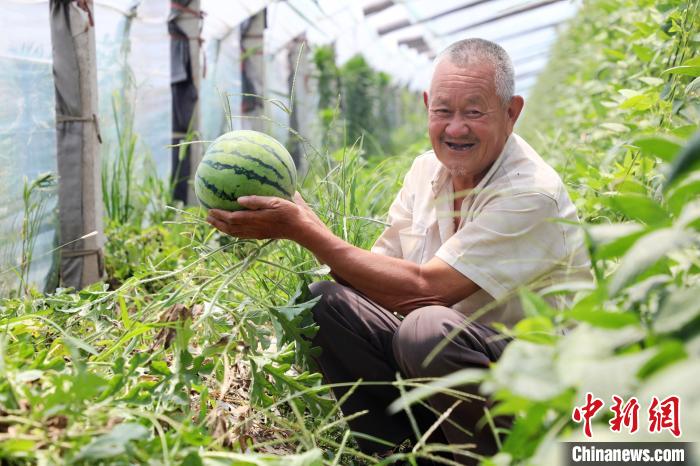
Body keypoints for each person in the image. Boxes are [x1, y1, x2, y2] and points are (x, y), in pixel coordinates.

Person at [207, 38, 591, 465]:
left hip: (532, 384)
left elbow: (428, 290)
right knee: (323, 303)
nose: (455, 128)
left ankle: (486, 458)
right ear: (427, 105)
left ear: (512, 112)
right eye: (443, 111)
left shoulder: (531, 193)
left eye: (474, 111)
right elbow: (371, 282)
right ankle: (400, 452)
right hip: (448, 368)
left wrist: (307, 233)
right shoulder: (426, 171)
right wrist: (305, 223)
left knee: (425, 327)